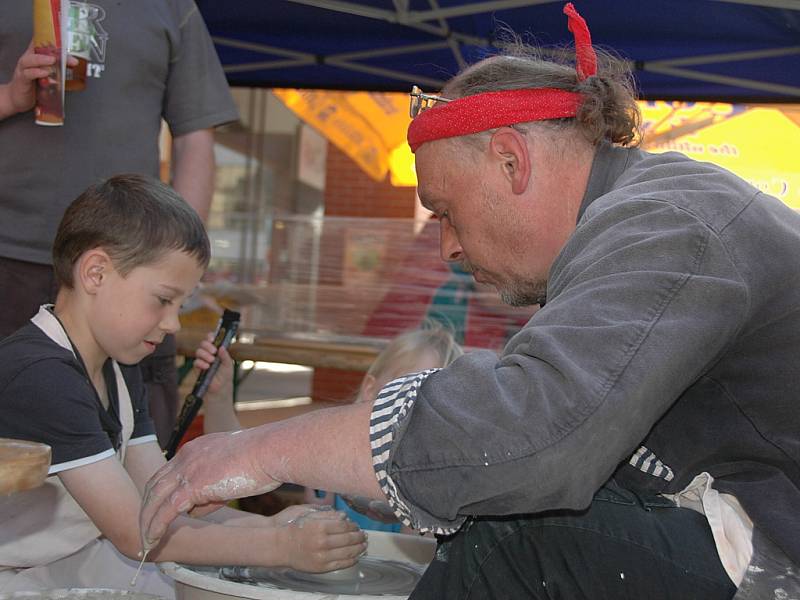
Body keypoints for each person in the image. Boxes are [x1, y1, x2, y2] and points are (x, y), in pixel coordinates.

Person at [139, 4, 800, 599]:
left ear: (510, 162)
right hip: (746, 525)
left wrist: (257, 453)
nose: (448, 248)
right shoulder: (632, 224)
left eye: (447, 212)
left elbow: (530, 433)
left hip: (779, 552)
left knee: (515, 535)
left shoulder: (669, 223)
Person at [0, 175, 366, 597]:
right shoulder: (41, 375)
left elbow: (162, 500)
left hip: (66, 559)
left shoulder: (119, 366)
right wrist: (279, 545)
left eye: (181, 304)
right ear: (95, 273)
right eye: (162, 299)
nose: (173, 324)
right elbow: (138, 534)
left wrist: (271, 525)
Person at [0, 0, 239, 448]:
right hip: (8, 252)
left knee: (135, 439)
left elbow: (194, 138)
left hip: (131, 265)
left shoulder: (172, 7)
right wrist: (11, 95)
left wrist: (177, 264)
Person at [303, 324, 464, 533]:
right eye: (406, 391)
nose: (417, 409)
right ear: (370, 389)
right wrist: (317, 507)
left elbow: (417, 552)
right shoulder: (336, 452)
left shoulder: (433, 476)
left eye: (436, 403)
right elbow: (311, 522)